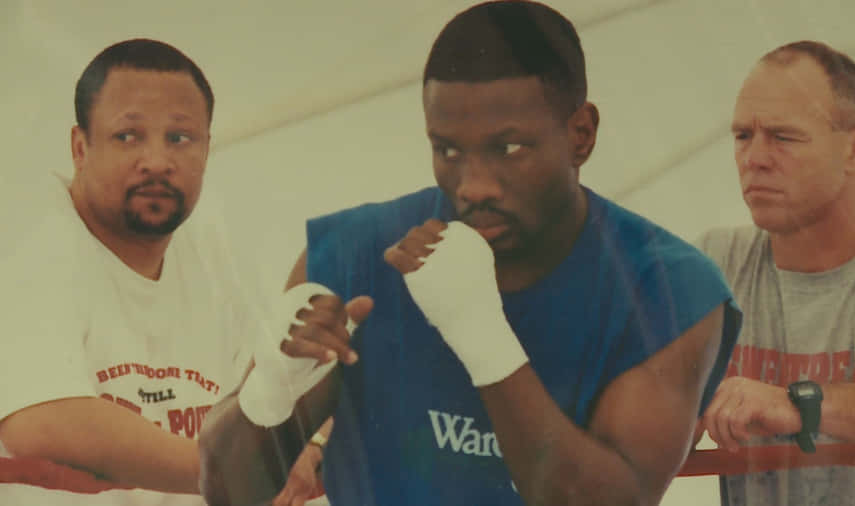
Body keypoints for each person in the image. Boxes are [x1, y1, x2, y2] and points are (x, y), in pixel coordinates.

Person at [198, 2, 742, 505]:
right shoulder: (357, 255)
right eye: (448, 150)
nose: (474, 185)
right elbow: (228, 490)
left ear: (581, 133)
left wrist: (484, 339)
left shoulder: (669, 289)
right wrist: (267, 395)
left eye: (508, 148)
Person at [0, 38, 322, 506]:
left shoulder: (211, 251)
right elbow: (44, 420)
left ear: (207, 149)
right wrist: (230, 472)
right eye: (128, 136)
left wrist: (309, 439)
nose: (157, 161)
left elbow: (260, 402)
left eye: (179, 138)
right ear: (79, 147)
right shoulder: (27, 244)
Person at [695, 40, 855, 505]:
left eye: (783, 137)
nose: (755, 158)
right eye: (743, 135)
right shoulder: (713, 262)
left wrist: (797, 403)